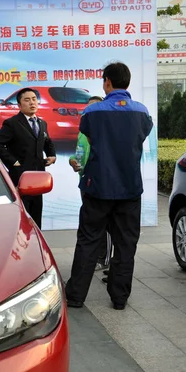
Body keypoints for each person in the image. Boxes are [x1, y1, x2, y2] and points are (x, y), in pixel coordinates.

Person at [64, 62, 153, 310]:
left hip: (98, 186)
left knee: (89, 239)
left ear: (107, 82)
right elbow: (142, 136)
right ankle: (119, 297)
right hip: (130, 187)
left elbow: (89, 139)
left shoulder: (93, 113)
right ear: (128, 82)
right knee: (126, 243)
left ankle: (76, 296)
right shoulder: (142, 112)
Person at [0, 88, 56, 229]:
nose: (32, 102)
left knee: (36, 216)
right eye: (27, 100)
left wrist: (52, 155)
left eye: (34, 99)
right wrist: (13, 162)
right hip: (20, 177)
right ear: (19, 105)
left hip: (38, 178)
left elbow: (46, 141)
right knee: (21, 217)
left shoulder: (41, 123)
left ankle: (36, 244)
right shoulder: (12, 123)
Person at [69, 95, 111, 272]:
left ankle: (105, 259)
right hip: (85, 182)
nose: (89, 111)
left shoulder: (107, 131)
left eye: (94, 107)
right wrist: (73, 162)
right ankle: (95, 258)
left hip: (101, 184)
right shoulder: (83, 132)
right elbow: (78, 155)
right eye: (88, 108)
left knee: (105, 224)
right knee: (91, 223)